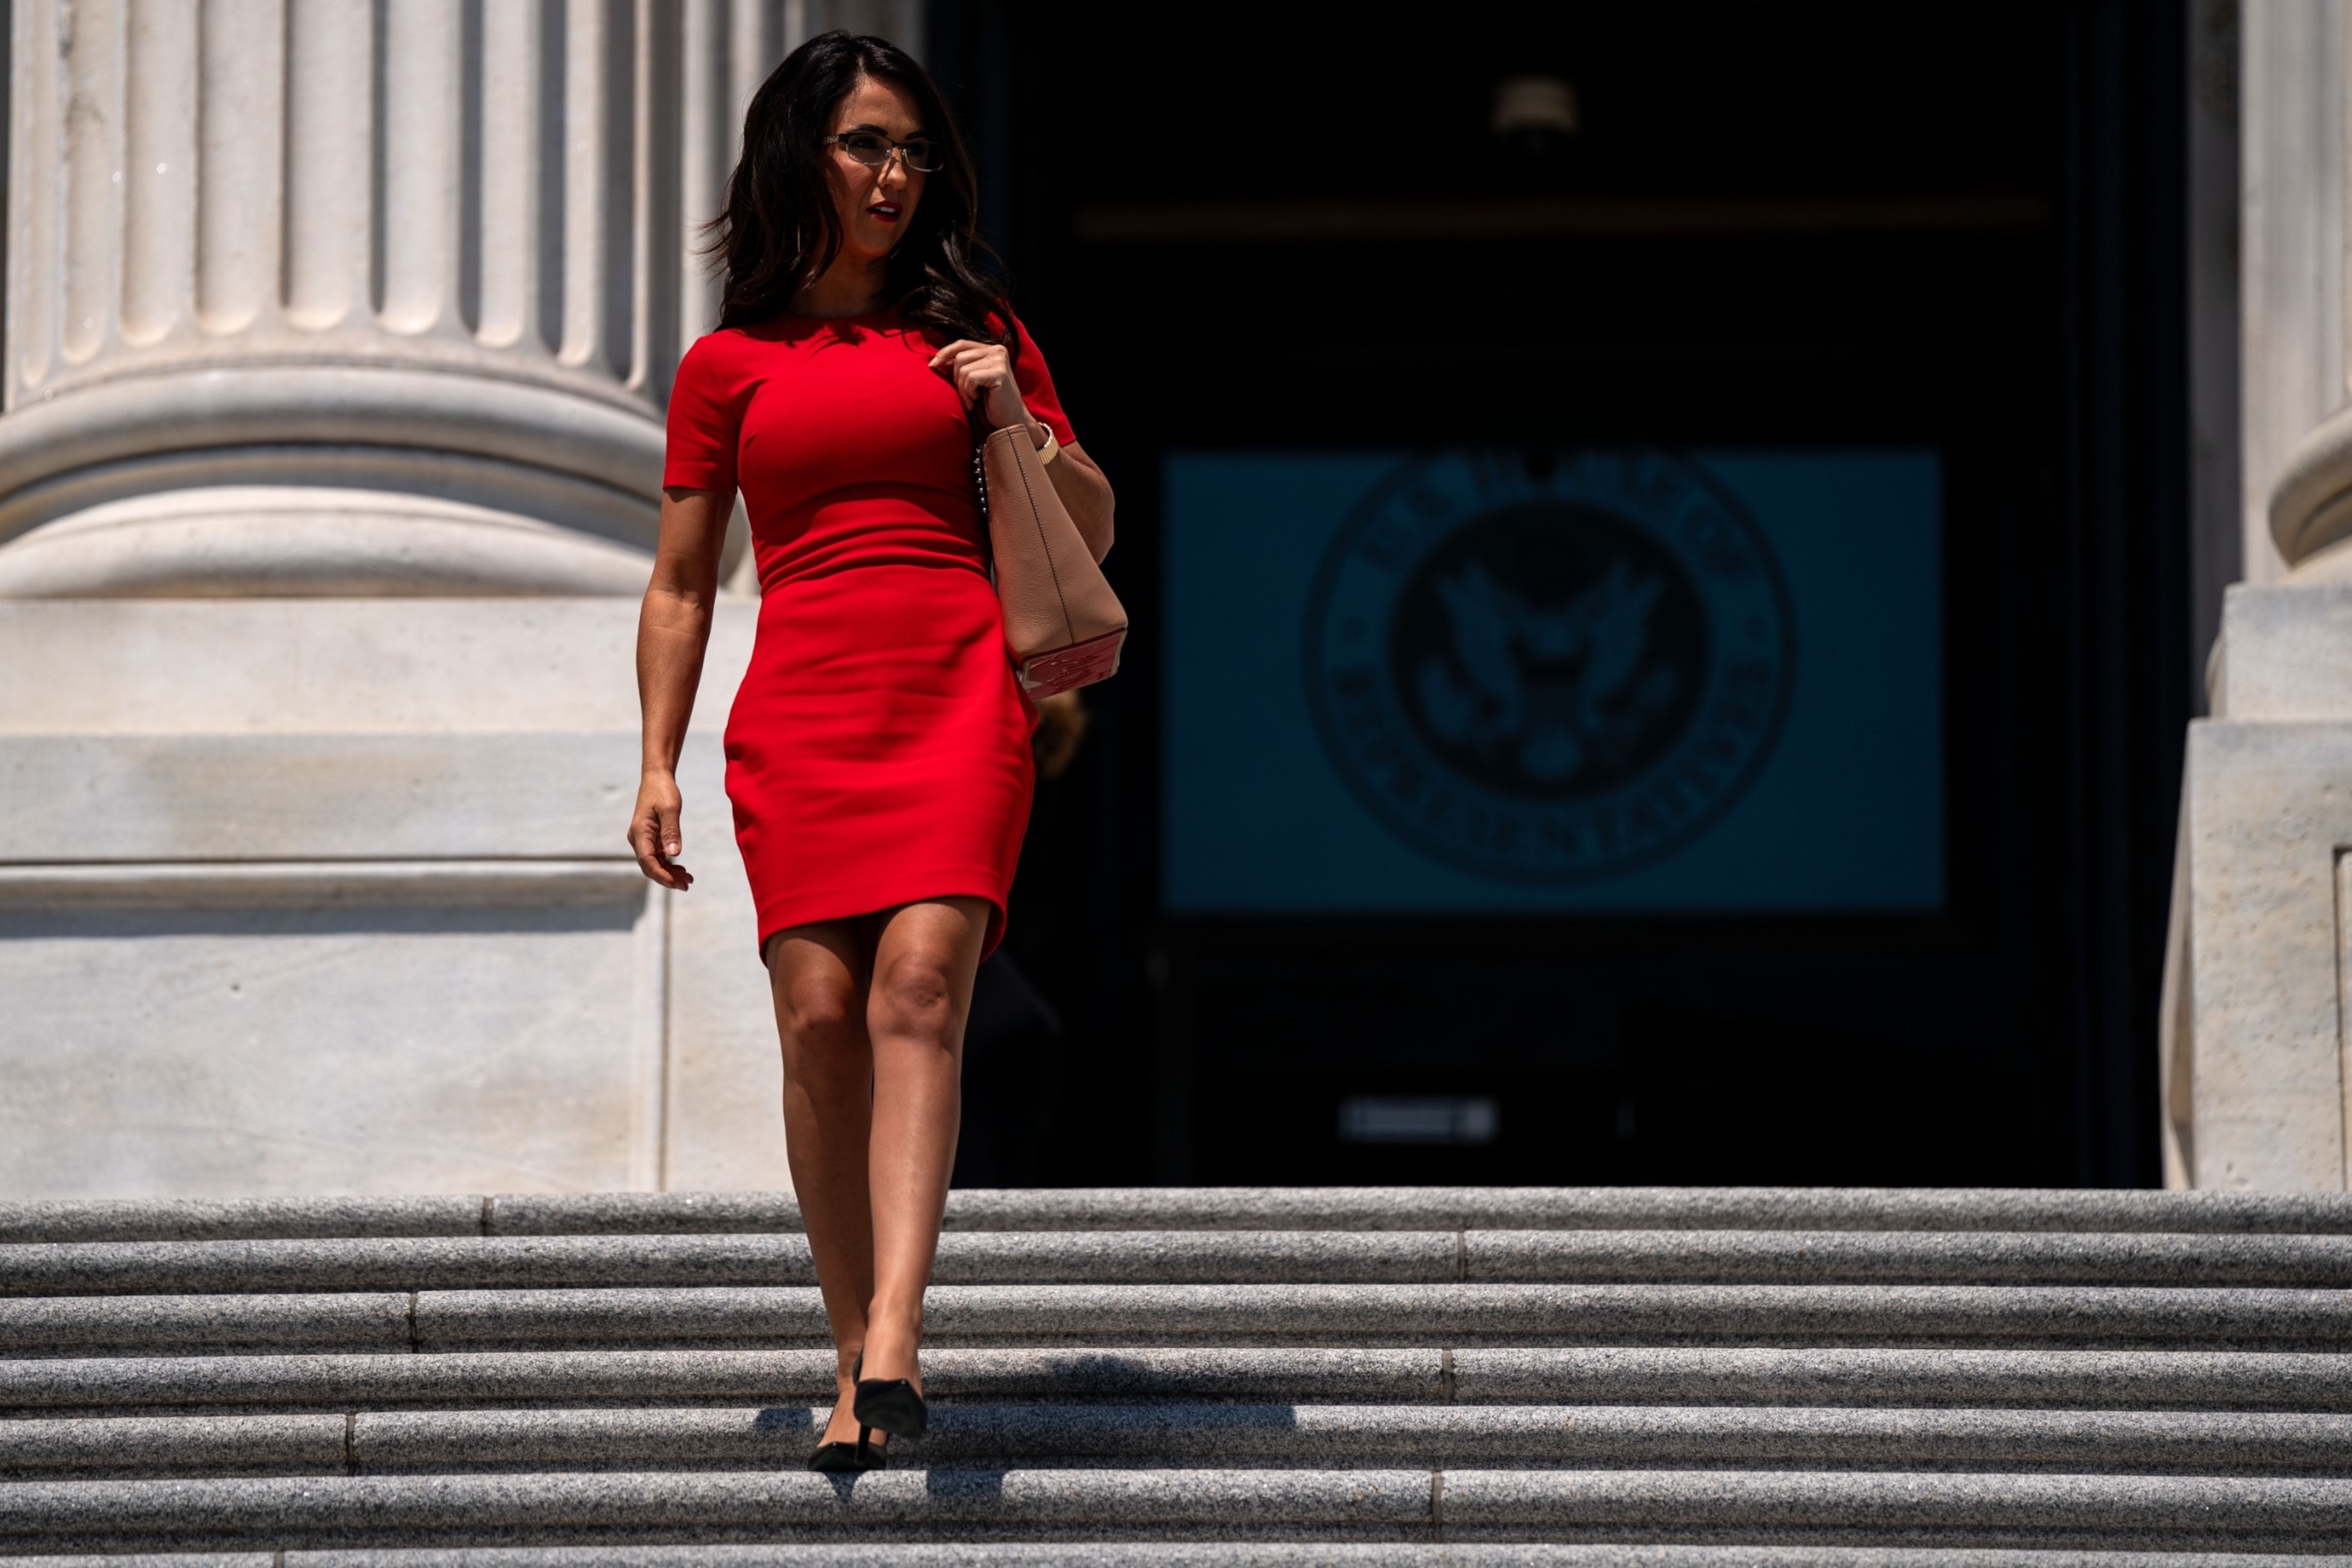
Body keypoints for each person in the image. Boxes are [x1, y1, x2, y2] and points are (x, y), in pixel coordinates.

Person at [626, 31, 1114, 1472]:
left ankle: (895, 1332)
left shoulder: (978, 327)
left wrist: (1008, 408)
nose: (895, 174)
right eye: (864, 146)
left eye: (912, 150)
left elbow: (1087, 527)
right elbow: (680, 582)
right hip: (804, 702)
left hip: (958, 684)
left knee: (918, 989)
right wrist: (656, 761)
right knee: (818, 1024)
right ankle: (848, 1348)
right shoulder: (727, 365)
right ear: (801, 157)